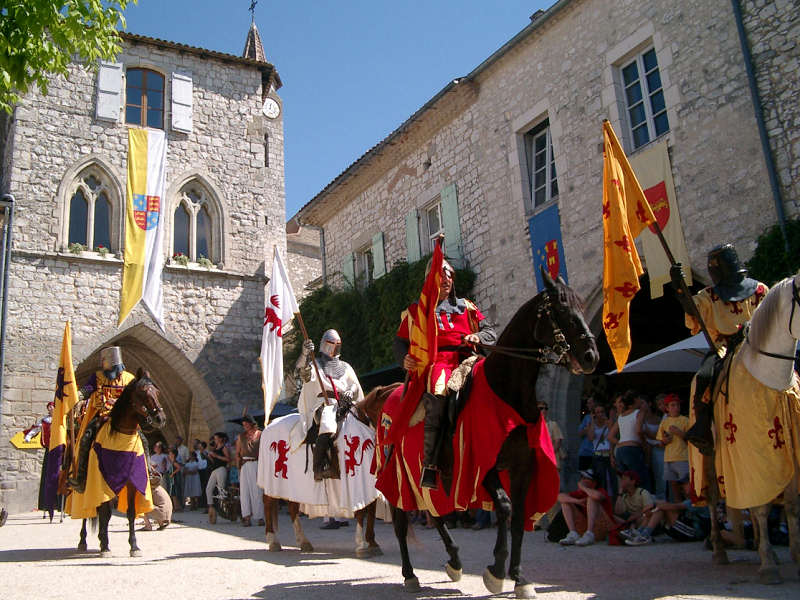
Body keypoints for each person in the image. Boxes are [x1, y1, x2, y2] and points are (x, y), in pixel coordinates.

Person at [394, 257, 497, 489]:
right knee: (439, 393)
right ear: (430, 280)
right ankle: (430, 463)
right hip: (438, 362)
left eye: (449, 275)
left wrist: (477, 336)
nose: (446, 279)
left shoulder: (467, 307)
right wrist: (404, 358)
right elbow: (400, 343)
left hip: (468, 359)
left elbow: (490, 332)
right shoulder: (417, 311)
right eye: (441, 275)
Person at [670, 243, 768, 451]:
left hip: (759, 344)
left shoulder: (759, 290)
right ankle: (702, 428)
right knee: (703, 378)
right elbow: (693, 310)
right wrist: (680, 289)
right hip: (724, 348)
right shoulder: (708, 296)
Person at [293, 329, 364, 481]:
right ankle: (319, 468)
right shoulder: (315, 365)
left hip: (345, 403)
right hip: (324, 405)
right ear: (324, 344)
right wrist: (305, 354)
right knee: (328, 424)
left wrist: (351, 391)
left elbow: (355, 385)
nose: (334, 347)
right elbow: (303, 374)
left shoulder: (346, 367)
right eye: (331, 343)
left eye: (337, 344)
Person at [69, 346, 136, 492]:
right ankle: (81, 478)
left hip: (122, 417)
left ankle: (149, 472)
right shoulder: (98, 376)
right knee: (86, 439)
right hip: (102, 416)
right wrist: (76, 396)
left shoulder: (129, 379)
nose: (108, 373)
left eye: (111, 369)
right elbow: (87, 389)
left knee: (142, 440)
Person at [557, 469, 615, 547]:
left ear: (594, 482)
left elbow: (597, 496)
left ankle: (589, 533)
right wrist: (577, 501)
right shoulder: (581, 493)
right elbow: (560, 497)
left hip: (604, 528)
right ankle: (573, 533)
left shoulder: (600, 490)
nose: (582, 480)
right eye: (582, 477)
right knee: (566, 502)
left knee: (591, 499)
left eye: (585, 478)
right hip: (585, 529)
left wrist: (583, 488)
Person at [607, 391, 649, 492]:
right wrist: (644, 444)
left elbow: (610, 436)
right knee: (640, 481)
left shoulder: (621, 416)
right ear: (635, 400)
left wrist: (621, 443)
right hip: (633, 449)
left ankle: (624, 501)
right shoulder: (639, 413)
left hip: (620, 451)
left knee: (625, 483)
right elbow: (639, 430)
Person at [24, 401, 57, 521]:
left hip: (59, 449)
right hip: (49, 450)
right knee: (47, 475)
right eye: (49, 407)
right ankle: (45, 503)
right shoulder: (44, 421)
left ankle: (61, 503)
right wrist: (28, 436)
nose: (51, 408)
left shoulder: (60, 419)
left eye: (52, 407)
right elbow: (36, 430)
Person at [657, 394, 690, 503]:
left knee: (687, 488)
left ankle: (691, 509)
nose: (676, 407)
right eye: (673, 405)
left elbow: (692, 440)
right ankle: (679, 509)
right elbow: (660, 442)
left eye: (678, 405)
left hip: (683, 458)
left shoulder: (686, 420)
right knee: (674, 488)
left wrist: (679, 433)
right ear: (667, 408)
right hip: (669, 459)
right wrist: (664, 441)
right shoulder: (664, 422)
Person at [615, 471, 657, 545]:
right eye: (622, 479)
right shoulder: (625, 496)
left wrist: (634, 517)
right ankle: (631, 532)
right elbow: (618, 511)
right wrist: (620, 493)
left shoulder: (642, 492)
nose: (622, 481)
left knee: (645, 515)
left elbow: (650, 508)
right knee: (613, 517)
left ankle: (641, 534)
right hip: (632, 521)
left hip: (646, 520)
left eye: (624, 479)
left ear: (633, 481)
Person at [236, 414, 264, 527]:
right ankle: (246, 517)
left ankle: (259, 517)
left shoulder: (260, 434)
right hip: (245, 464)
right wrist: (238, 467)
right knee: (244, 492)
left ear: (252, 423)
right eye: (243, 424)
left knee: (257, 491)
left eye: (246, 424)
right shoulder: (241, 436)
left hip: (256, 463)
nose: (245, 426)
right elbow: (238, 453)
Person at [205, 432, 231, 524]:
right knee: (208, 489)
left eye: (216, 438)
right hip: (215, 469)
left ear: (220, 439)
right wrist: (211, 457)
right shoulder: (215, 448)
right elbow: (214, 461)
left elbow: (228, 459)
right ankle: (211, 506)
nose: (215, 440)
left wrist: (216, 456)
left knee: (221, 489)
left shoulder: (224, 448)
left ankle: (223, 508)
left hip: (221, 469)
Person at [539, 401, 565, 475]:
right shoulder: (533, 426)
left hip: (551, 460)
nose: (544, 410)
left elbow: (557, 443)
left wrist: (547, 455)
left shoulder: (553, 425)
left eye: (546, 408)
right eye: (541, 408)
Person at [577, 396, 597, 471]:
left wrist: (588, 429)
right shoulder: (586, 418)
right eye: (587, 403)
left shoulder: (603, 418)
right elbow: (580, 433)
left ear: (595, 403)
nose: (588, 405)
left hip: (597, 453)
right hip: (585, 452)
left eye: (590, 403)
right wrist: (587, 429)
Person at [182, 444, 204, 510]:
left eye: (191, 456)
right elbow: (184, 471)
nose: (190, 457)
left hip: (195, 478)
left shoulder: (196, 463)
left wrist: (188, 472)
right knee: (190, 490)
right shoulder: (187, 463)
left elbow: (195, 471)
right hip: (189, 478)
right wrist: (189, 472)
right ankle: (192, 505)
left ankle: (196, 504)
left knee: (195, 490)